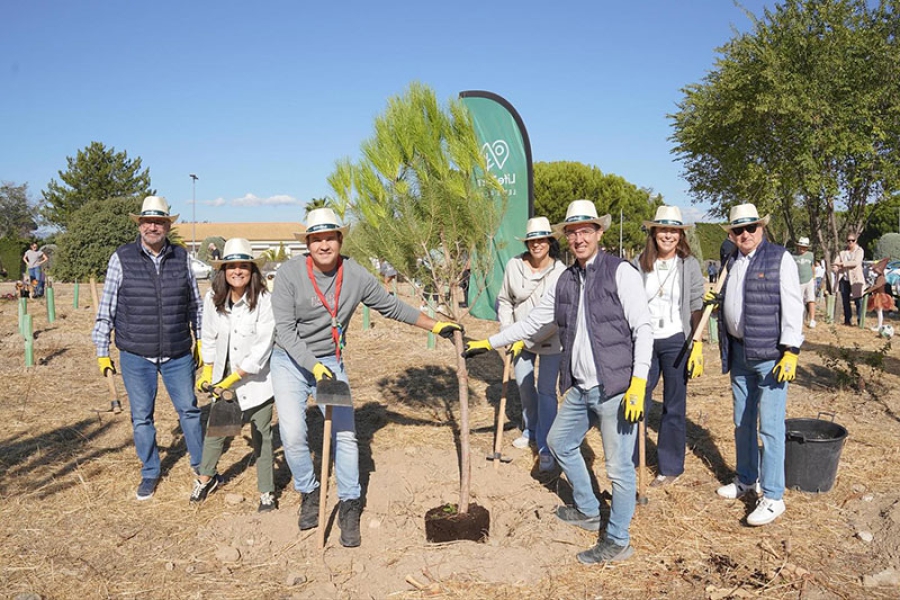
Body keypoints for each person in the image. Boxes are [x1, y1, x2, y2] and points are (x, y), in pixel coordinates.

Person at [463, 199, 653, 565]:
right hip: (580, 387)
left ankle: (618, 540)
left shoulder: (620, 272)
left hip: (616, 388)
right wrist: (488, 342)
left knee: (618, 469)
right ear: (566, 237)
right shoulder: (565, 280)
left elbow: (642, 328)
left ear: (599, 232)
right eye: (573, 232)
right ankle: (588, 510)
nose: (579, 238)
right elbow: (533, 322)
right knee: (558, 442)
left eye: (586, 231)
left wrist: (639, 383)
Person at [271, 207, 462, 548]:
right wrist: (312, 365)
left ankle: (349, 502)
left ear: (340, 240)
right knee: (293, 433)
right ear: (308, 244)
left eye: (330, 238)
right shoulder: (289, 274)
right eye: (316, 239)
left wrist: (436, 326)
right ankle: (310, 492)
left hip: (330, 360)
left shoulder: (355, 275)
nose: (324, 245)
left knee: (346, 435)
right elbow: (285, 330)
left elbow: (391, 306)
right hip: (290, 361)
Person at [92, 196, 204, 501]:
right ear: (140, 225)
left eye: (159, 222)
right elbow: (107, 308)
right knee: (142, 416)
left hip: (177, 353)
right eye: (147, 221)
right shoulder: (122, 258)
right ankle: (151, 471)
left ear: (167, 226)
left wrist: (201, 341)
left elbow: (195, 305)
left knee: (189, 410)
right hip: (135, 354)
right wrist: (102, 351)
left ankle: (201, 466)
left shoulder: (181, 257)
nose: (153, 227)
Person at [711, 203, 803, 526]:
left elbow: (793, 305)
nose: (745, 234)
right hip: (739, 354)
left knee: (771, 427)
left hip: (770, 357)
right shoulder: (732, 261)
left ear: (761, 228)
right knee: (742, 421)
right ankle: (747, 479)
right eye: (738, 229)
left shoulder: (779, 258)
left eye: (751, 227)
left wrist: (791, 350)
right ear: (732, 234)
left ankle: (774, 496)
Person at [192, 238, 277, 512]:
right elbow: (208, 334)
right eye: (231, 266)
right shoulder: (213, 298)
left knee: (261, 434)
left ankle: (267, 491)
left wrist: (234, 378)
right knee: (217, 430)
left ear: (252, 270)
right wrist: (208, 370)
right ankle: (205, 479)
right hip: (223, 377)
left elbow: (263, 346)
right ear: (223, 270)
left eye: (243, 266)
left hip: (256, 379)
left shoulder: (264, 301)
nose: (237, 271)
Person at [632, 206, 704, 486]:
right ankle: (633, 456)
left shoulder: (689, 265)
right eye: (663, 229)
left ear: (680, 235)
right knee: (639, 397)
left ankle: (670, 467)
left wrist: (697, 343)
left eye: (673, 231)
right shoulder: (639, 264)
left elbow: (696, 304)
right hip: (645, 340)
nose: (668, 235)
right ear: (653, 232)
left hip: (676, 340)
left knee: (674, 404)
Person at [496, 217, 566, 472]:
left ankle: (546, 446)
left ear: (549, 241)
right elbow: (505, 300)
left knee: (546, 391)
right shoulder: (514, 265)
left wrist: (526, 337)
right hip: (518, 339)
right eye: (532, 240)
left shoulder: (560, 271)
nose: (537, 244)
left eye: (541, 240)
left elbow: (557, 314)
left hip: (550, 339)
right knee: (524, 386)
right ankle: (531, 430)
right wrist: (507, 332)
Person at [833, 234, 865, 326]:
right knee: (845, 301)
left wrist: (842, 264)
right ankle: (847, 320)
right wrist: (835, 267)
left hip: (855, 279)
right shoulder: (842, 253)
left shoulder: (859, 251)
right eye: (848, 240)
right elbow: (836, 262)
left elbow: (855, 262)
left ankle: (860, 321)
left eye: (852, 240)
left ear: (856, 241)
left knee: (858, 300)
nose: (850, 242)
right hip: (844, 279)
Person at [865, 258, 896, 332]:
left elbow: (876, 286)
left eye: (875, 270)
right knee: (878, 311)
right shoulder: (878, 277)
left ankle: (879, 326)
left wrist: (868, 290)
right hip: (877, 295)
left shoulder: (881, 278)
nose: (874, 271)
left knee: (879, 311)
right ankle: (879, 325)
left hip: (880, 296)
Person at [792, 237, 817, 328]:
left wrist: (814, 277)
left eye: (804, 247)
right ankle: (799, 318)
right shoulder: (793, 256)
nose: (802, 249)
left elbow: (812, 266)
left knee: (811, 299)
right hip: (798, 281)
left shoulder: (810, 255)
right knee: (799, 301)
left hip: (809, 279)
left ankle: (812, 319)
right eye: (801, 246)